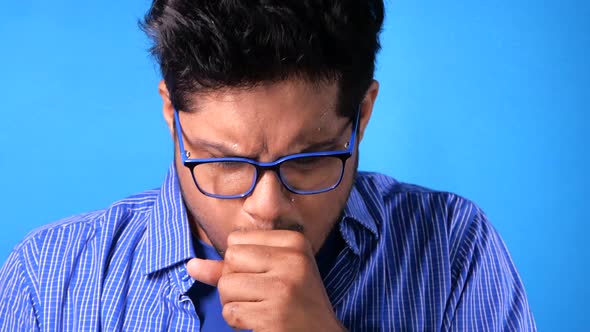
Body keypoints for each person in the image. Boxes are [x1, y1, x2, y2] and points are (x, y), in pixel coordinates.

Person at [0, 0, 536, 331]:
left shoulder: (454, 251)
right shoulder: (46, 281)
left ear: (363, 114)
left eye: (308, 160)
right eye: (224, 162)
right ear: (171, 113)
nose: (266, 209)